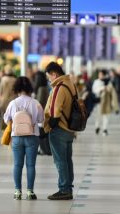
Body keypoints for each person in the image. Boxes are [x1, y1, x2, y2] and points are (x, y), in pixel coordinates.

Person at [4, 77, 44, 200]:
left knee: (17, 164)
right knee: (31, 165)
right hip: (32, 137)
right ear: (29, 88)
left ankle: (17, 192)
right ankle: (30, 192)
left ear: (16, 88)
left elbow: (6, 119)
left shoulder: (13, 103)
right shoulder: (35, 103)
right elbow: (41, 120)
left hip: (16, 137)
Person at [43, 62, 76, 200]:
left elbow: (54, 112)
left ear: (54, 74)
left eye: (49, 76)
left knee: (60, 160)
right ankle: (68, 187)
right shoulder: (70, 84)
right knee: (67, 160)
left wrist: (47, 128)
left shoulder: (58, 87)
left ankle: (64, 189)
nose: (49, 79)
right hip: (69, 129)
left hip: (59, 129)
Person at [92, 70, 119, 135]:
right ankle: (97, 127)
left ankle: (105, 129)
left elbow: (112, 91)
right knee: (98, 116)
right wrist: (102, 88)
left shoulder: (108, 82)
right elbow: (94, 90)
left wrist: (107, 88)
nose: (100, 76)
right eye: (99, 74)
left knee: (106, 116)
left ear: (104, 75)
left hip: (107, 101)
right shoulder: (96, 82)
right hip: (98, 102)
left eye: (101, 74)